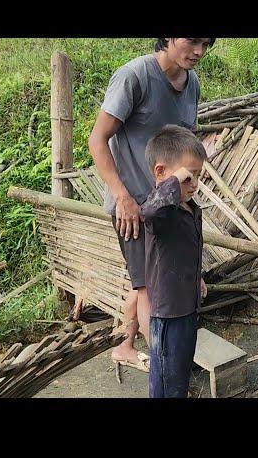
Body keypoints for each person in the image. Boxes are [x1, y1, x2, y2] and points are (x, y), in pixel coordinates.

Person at [88, 38, 215, 372]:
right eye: (192, 40)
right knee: (149, 291)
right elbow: (97, 139)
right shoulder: (135, 77)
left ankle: (127, 345)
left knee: (149, 280)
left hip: (171, 205)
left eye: (207, 43)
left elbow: (184, 143)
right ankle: (165, 373)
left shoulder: (192, 84)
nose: (199, 51)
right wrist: (122, 196)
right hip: (136, 210)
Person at [140, 125, 207, 398]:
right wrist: (173, 182)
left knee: (178, 373)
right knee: (167, 380)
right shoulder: (161, 212)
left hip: (187, 307)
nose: (194, 184)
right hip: (168, 314)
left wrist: (197, 277)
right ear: (161, 173)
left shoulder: (189, 209)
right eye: (188, 177)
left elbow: (189, 250)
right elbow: (151, 210)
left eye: (198, 177)